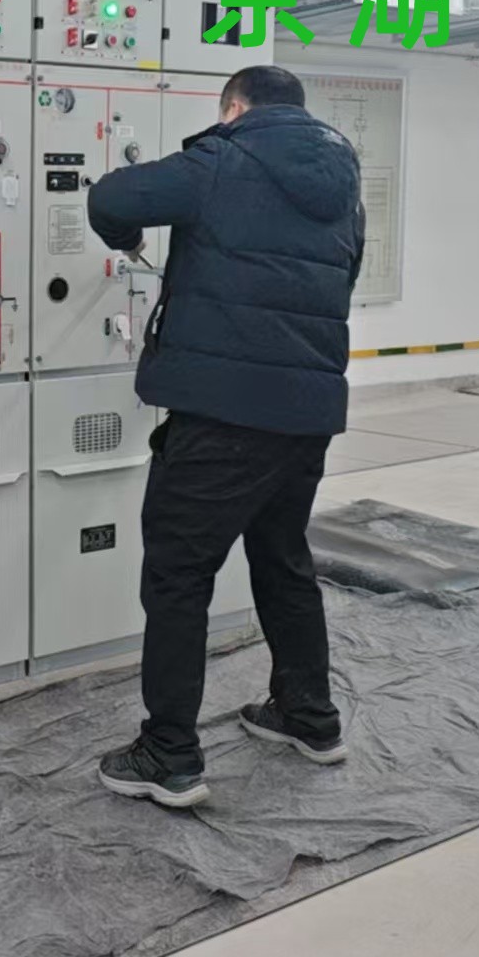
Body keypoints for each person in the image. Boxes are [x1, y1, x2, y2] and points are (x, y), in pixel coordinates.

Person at [85, 64, 365, 807]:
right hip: (307, 410)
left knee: (178, 576)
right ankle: (309, 716)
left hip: (223, 416)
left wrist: (126, 238)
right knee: (283, 559)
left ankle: (169, 753)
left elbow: (110, 196)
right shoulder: (344, 182)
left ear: (234, 108)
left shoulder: (221, 158)